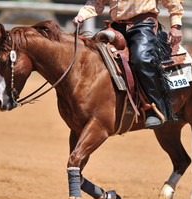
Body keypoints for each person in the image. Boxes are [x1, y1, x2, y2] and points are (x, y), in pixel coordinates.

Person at [73, 0, 184, 129]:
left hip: (143, 25)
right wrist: (81, 16)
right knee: (93, 54)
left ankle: (155, 107)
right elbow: (96, 2)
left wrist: (176, 26)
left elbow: (173, 2)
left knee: (141, 58)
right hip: (116, 27)